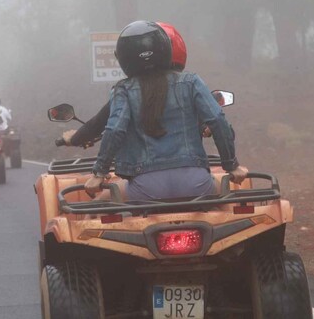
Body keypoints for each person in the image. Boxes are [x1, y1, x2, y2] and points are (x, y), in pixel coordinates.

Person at [84, 21, 248, 200]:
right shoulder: (191, 81)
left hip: (145, 190)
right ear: (166, 48)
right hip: (196, 185)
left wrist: (99, 173)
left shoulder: (123, 90)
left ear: (122, 58)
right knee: (227, 206)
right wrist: (231, 165)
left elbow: (115, 129)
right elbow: (217, 119)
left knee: (95, 208)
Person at [62, 21, 187, 148]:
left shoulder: (126, 91)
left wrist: (76, 139)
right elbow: (207, 116)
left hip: (138, 165)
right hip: (192, 164)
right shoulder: (191, 85)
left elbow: (98, 125)